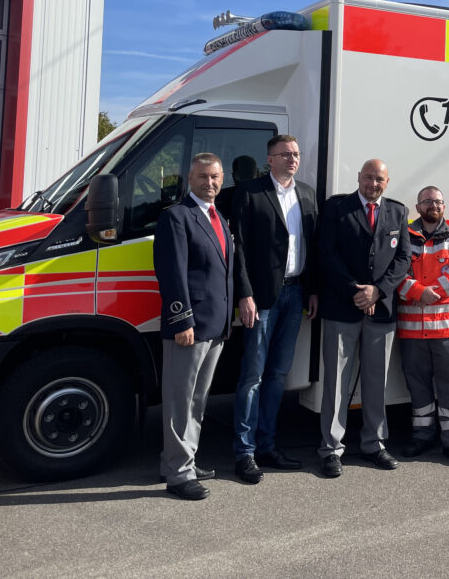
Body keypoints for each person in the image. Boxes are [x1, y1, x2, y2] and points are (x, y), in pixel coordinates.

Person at [315, 159, 411, 478]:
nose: (373, 184)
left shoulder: (397, 212)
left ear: (387, 182)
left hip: (381, 310)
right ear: (358, 177)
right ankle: (331, 449)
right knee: (336, 383)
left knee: (376, 382)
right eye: (368, 177)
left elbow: (403, 259)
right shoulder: (337, 208)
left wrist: (377, 291)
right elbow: (327, 253)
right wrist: (355, 291)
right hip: (342, 306)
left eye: (379, 179)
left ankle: (374, 444)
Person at [230, 135, 317, 484]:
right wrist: (245, 294)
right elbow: (238, 247)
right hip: (262, 298)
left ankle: (267, 445)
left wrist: (312, 290)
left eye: (296, 154)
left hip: (295, 295)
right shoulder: (250, 192)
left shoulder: (307, 194)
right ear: (270, 159)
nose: (292, 159)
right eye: (285, 154)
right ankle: (245, 452)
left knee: (278, 375)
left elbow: (312, 245)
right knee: (252, 376)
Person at [154, 153, 234, 500]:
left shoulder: (219, 217)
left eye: (215, 177)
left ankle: (182, 459)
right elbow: (171, 272)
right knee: (179, 402)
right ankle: (178, 475)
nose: (209, 183)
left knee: (197, 401)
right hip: (190, 325)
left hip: (215, 324)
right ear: (190, 179)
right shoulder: (176, 216)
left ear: (222, 179)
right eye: (203, 176)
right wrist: (181, 320)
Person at [398, 186, 449, 465]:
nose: (434, 205)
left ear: (445, 206)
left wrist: (432, 293)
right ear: (418, 207)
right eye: (428, 201)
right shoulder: (404, 235)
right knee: (417, 386)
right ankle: (422, 436)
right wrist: (418, 291)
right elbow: (394, 270)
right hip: (412, 330)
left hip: (447, 329)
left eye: (439, 201)